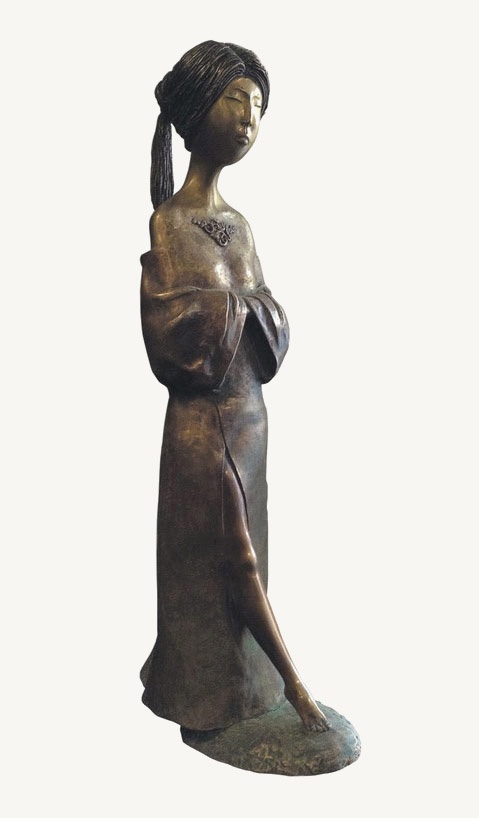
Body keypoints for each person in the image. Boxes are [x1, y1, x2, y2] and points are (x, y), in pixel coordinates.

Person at [140, 41, 329, 733]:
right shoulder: (169, 224)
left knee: (251, 545)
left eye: (258, 106)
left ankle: (244, 688)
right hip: (202, 422)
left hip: (250, 416)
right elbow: (168, 330)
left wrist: (249, 307)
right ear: (198, 109)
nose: (249, 117)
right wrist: (238, 307)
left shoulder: (239, 226)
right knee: (231, 553)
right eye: (235, 100)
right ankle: (288, 690)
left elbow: (271, 315)